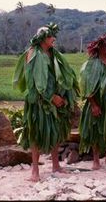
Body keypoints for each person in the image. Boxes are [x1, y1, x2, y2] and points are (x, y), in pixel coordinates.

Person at [13, 23, 79, 182]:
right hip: (39, 101)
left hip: (56, 99)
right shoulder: (33, 53)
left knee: (55, 131)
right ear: (43, 38)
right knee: (36, 133)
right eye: (51, 36)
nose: (54, 39)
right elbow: (37, 82)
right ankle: (35, 170)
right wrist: (51, 97)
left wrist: (62, 95)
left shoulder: (53, 54)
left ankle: (56, 165)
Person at [78, 29, 106, 170]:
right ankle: (96, 160)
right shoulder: (91, 64)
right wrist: (93, 104)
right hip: (96, 101)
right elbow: (86, 86)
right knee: (95, 129)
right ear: (100, 47)